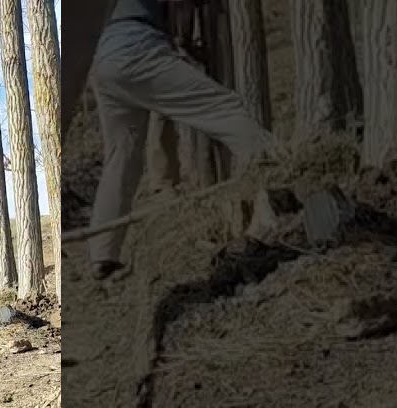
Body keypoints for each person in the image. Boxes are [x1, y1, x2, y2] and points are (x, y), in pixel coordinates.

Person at [86, 0, 275, 280]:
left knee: (122, 155)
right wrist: (185, 41)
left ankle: (103, 253)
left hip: (103, 58)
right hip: (140, 48)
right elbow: (182, 8)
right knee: (225, 107)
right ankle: (280, 167)